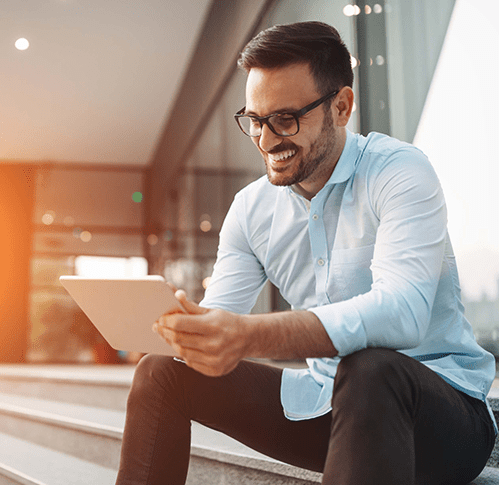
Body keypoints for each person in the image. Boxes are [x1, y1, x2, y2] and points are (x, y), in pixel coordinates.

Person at [115, 21, 497, 485]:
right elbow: (221, 320)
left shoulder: (398, 172)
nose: (266, 139)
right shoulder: (252, 209)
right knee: (162, 373)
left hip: (441, 417)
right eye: (255, 120)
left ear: (341, 106)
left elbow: (402, 313)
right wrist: (185, 329)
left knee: (371, 367)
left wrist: (248, 335)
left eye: (285, 119)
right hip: (327, 406)